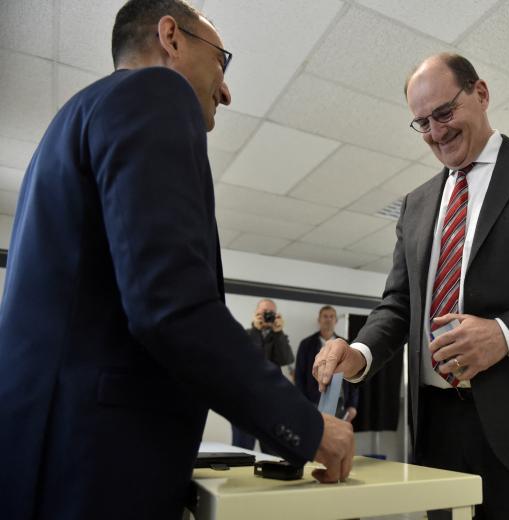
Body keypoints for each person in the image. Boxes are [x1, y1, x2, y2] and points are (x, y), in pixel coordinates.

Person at [0, 1, 353, 518]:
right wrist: (309, 428)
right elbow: (170, 305)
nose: (226, 90)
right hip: (95, 464)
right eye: (222, 62)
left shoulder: (75, 117)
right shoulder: (154, 91)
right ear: (171, 37)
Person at [314, 53, 509, 520]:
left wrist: (504, 335)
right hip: (440, 432)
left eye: (444, 113)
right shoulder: (416, 204)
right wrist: (359, 353)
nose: (436, 132)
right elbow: (399, 304)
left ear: (480, 94)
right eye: (421, 123)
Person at [232, 298, 294, 450]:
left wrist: (279, 333)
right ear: (255, 314)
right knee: (242, 450)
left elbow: (286, 359)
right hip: (244, 402)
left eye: (270, 313)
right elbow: (246, 358)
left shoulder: (280, 337)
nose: (267, 315)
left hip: (271, 404)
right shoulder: (245, 334)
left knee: (272, 452)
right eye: (263, 312)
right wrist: (255, 330)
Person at [295, 306, 358, 422]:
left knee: (337, 439)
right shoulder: (306, 344)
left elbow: (353, 375)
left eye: (331, 316)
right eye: (325, 316)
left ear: (336, 321)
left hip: (341, 405)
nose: (328, 319)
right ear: (319, 320)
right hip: (313, 403)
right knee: (314, 438)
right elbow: (299, 376)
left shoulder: (346, 345)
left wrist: (353, 405)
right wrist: (303, 403)